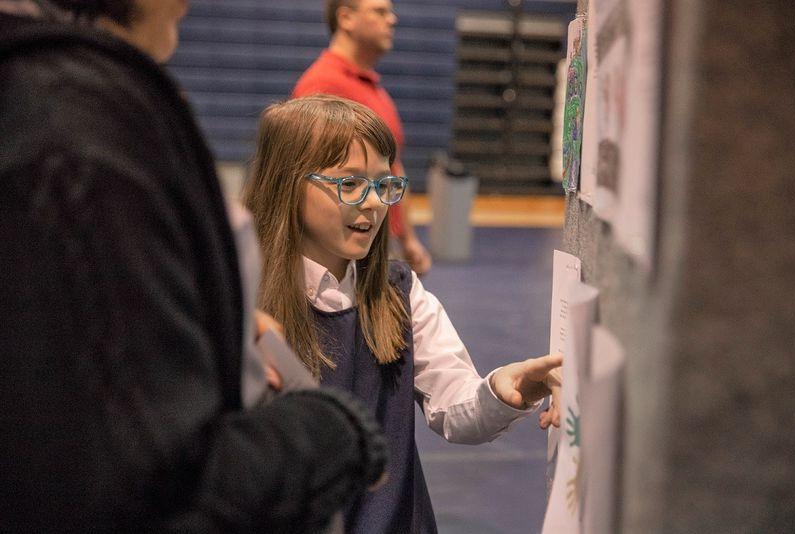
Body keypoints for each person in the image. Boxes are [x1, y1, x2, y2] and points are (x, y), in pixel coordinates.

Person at [0, 1, 386, 531]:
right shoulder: (74, 137)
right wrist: (334, 433)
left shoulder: (66, 103)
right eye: (350, 182)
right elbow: (147, 487)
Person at [243, 95, 563, 534]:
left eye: (383, 185)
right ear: (287, 185)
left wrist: (506, 389)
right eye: (349, 184)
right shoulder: (244, 307)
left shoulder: (400, 292)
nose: (374, 204)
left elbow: (454, 406)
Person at [292, 0, 432, 276]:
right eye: (379, 12)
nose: (392, 20)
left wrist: (406, 237)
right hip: (347, 252)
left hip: (375, 239)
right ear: (346, 18)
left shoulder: (371, 87)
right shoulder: (322, 86)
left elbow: (392, 167)